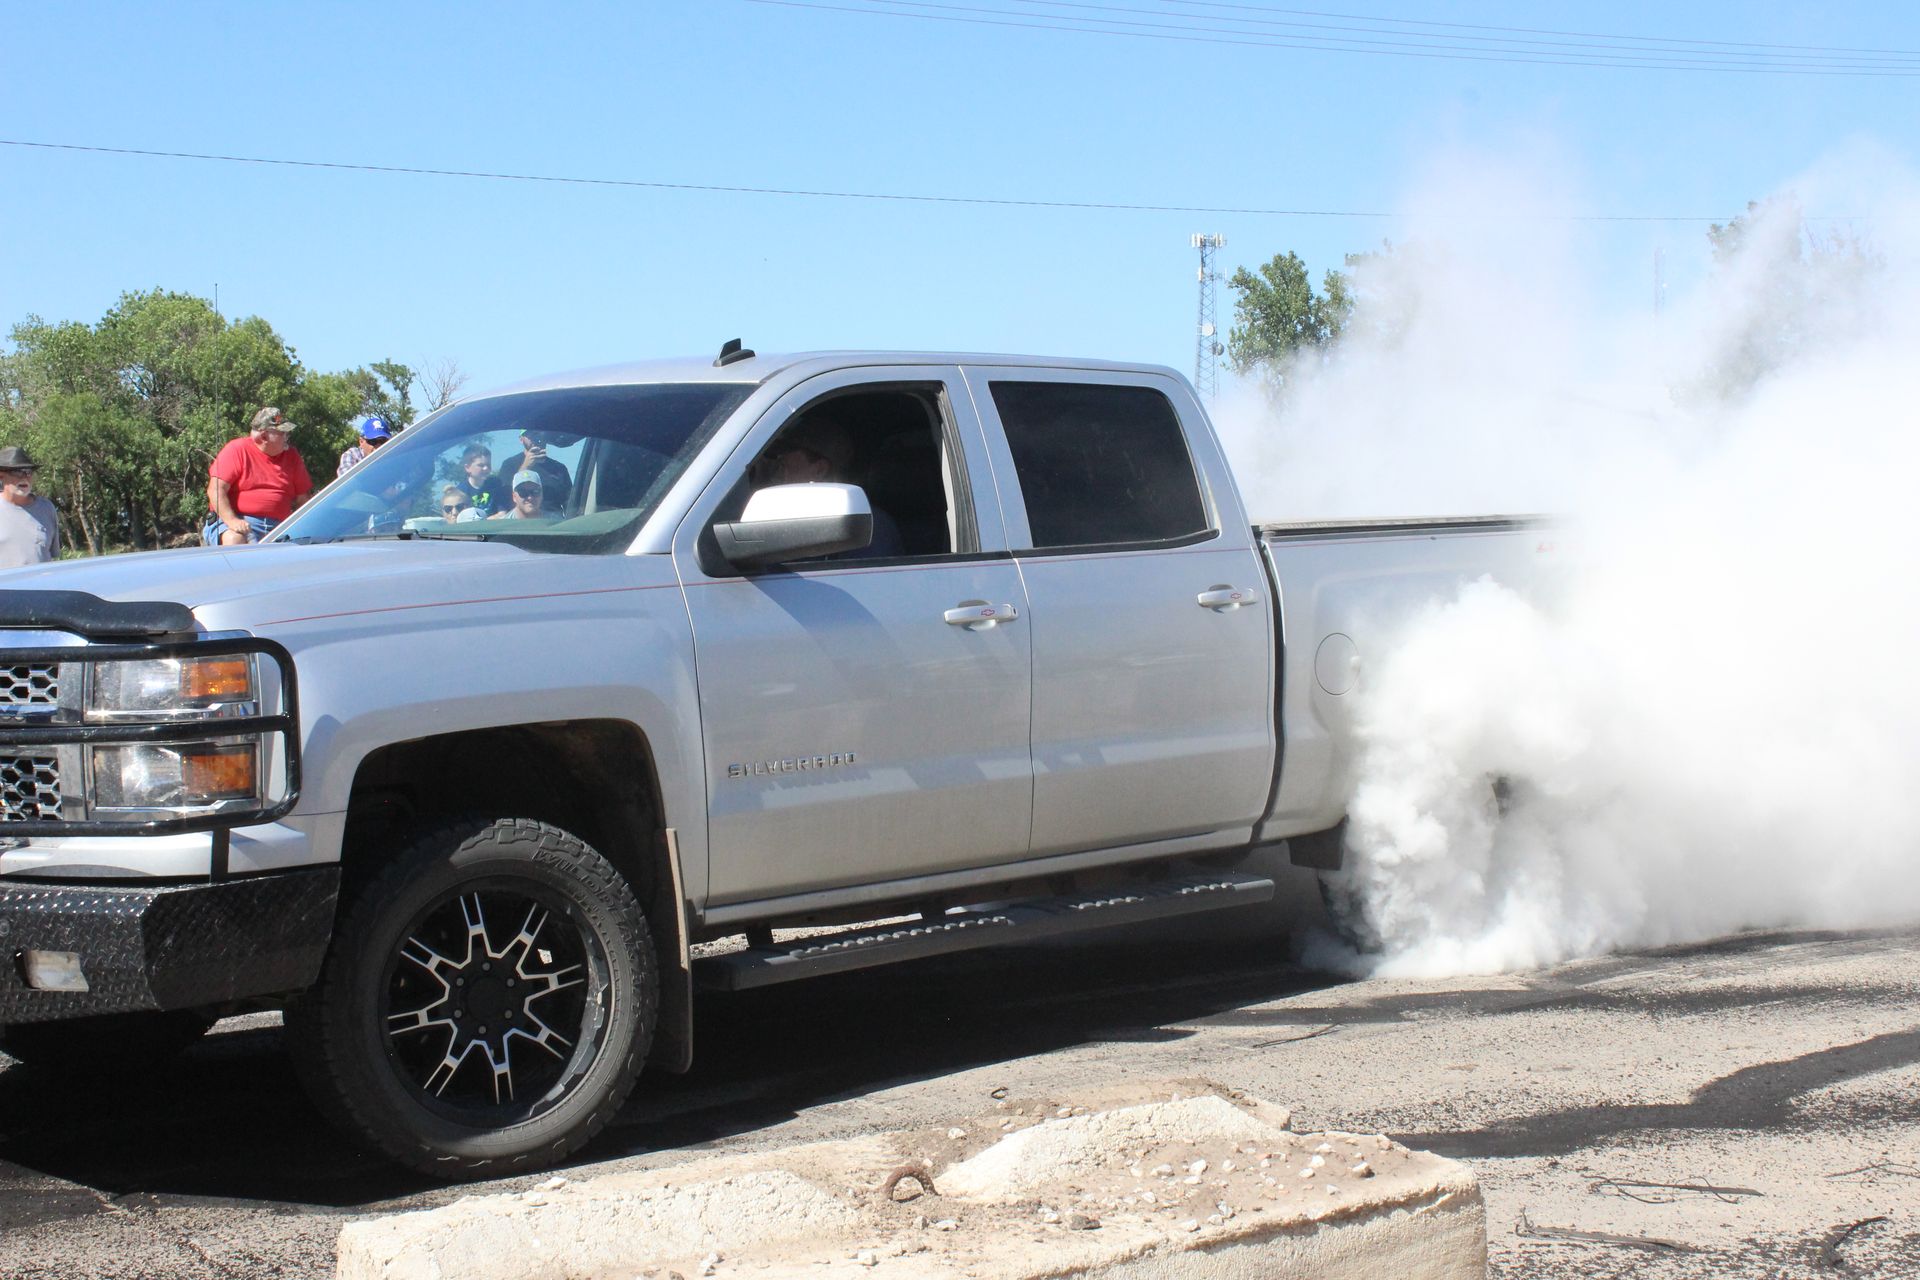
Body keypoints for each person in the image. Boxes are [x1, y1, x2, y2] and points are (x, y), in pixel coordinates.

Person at [759, 417, 904, 558]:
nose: (776, 468)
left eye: (783, 465)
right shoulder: (789, 518)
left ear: (819, 470)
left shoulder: (868, 527)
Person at [205, 406, 314, 546]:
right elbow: (215, 490)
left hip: (279, 528)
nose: (287, 437)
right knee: (234, 539)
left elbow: (303, 499)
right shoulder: (237, 449)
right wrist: (232, 520)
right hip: (240, 523)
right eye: (283, 433)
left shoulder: (292, 456)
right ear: (264, 437)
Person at [0, 446, 60, 567]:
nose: (24, 477)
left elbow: (53, 556)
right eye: (17, 471)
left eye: (28, 471)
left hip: (41, 579)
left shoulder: (46, 508)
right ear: (1, 476)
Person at [506, 429, 572, 513]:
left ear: (546, 437)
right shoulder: (509, 465)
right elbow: (505, 497)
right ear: (521, 439)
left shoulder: (559, 468)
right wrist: (526, 466)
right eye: (530, 434)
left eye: (539, 433)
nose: (535, 438)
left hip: (553, 520)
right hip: (520, 520)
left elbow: (570, 503)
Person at [454, 444, 509, 518]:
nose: (486, 468)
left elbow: (502, 513)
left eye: (488, 465)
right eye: (481, 465)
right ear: (467, 468)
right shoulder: (461, 492)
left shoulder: (495, 484)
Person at [337, 414, 393, 478]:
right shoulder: (352, 454)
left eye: (382, 441)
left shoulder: (394, 453)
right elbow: (347, 478)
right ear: (361, 441)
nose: (378, 446)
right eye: (373, 441)